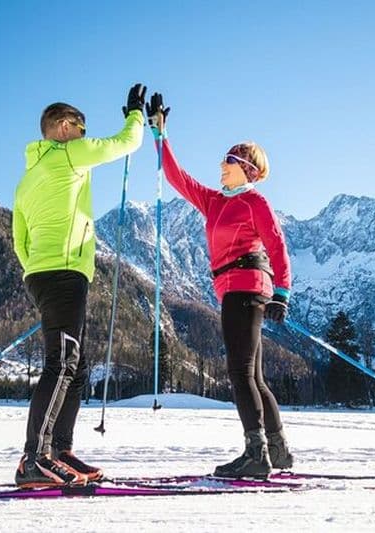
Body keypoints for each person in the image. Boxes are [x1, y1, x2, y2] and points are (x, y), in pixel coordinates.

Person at [146, 93, 294, 478]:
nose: (221, 165)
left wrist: (283, 292)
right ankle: (277, 451)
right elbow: (177, 178)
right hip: (234, 289)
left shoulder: (254, 202)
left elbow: (277, 244)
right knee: (255, 376)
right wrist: (160, 135)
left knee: (240, 372)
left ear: (247, 169)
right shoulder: (213, 201)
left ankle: (255, 454)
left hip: (246, 288)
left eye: (229, 160)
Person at [11, 84, 146, 488]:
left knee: (77, 366)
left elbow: (20, 240)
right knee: (63, 362)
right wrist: (136, 114)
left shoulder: (27, 178)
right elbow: (127, 142)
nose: (85, 138)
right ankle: (35, 457)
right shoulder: (68, 154)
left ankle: (59, 451)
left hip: (42, 273)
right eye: (82, 131)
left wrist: (39, 271)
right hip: (64, 273)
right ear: (66, 127)